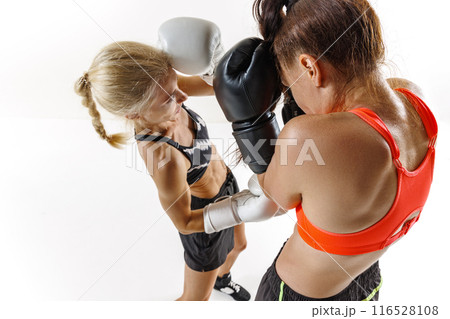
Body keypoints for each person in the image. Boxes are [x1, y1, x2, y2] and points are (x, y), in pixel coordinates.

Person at [204, 0, 438, 301]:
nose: (297, 103)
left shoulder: (305, 138)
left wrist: (250, 123)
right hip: (367, 285)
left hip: (297, 295)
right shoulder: (416, 101)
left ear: (310, 67)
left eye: (289, 85)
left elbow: (272, 197)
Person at [73, 37, 251, 301]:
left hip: (227, 184)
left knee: (239, 245)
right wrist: (240, 208)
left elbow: (217, 85)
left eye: (175, 84)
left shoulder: (162, 90)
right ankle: (209, 281)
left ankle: (222, 280)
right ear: (135, 114)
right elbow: (184, 221)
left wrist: (219, 63)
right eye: (169, 97)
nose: (183, 96)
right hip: (204, 215)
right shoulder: (164, 157)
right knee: (195, 301)